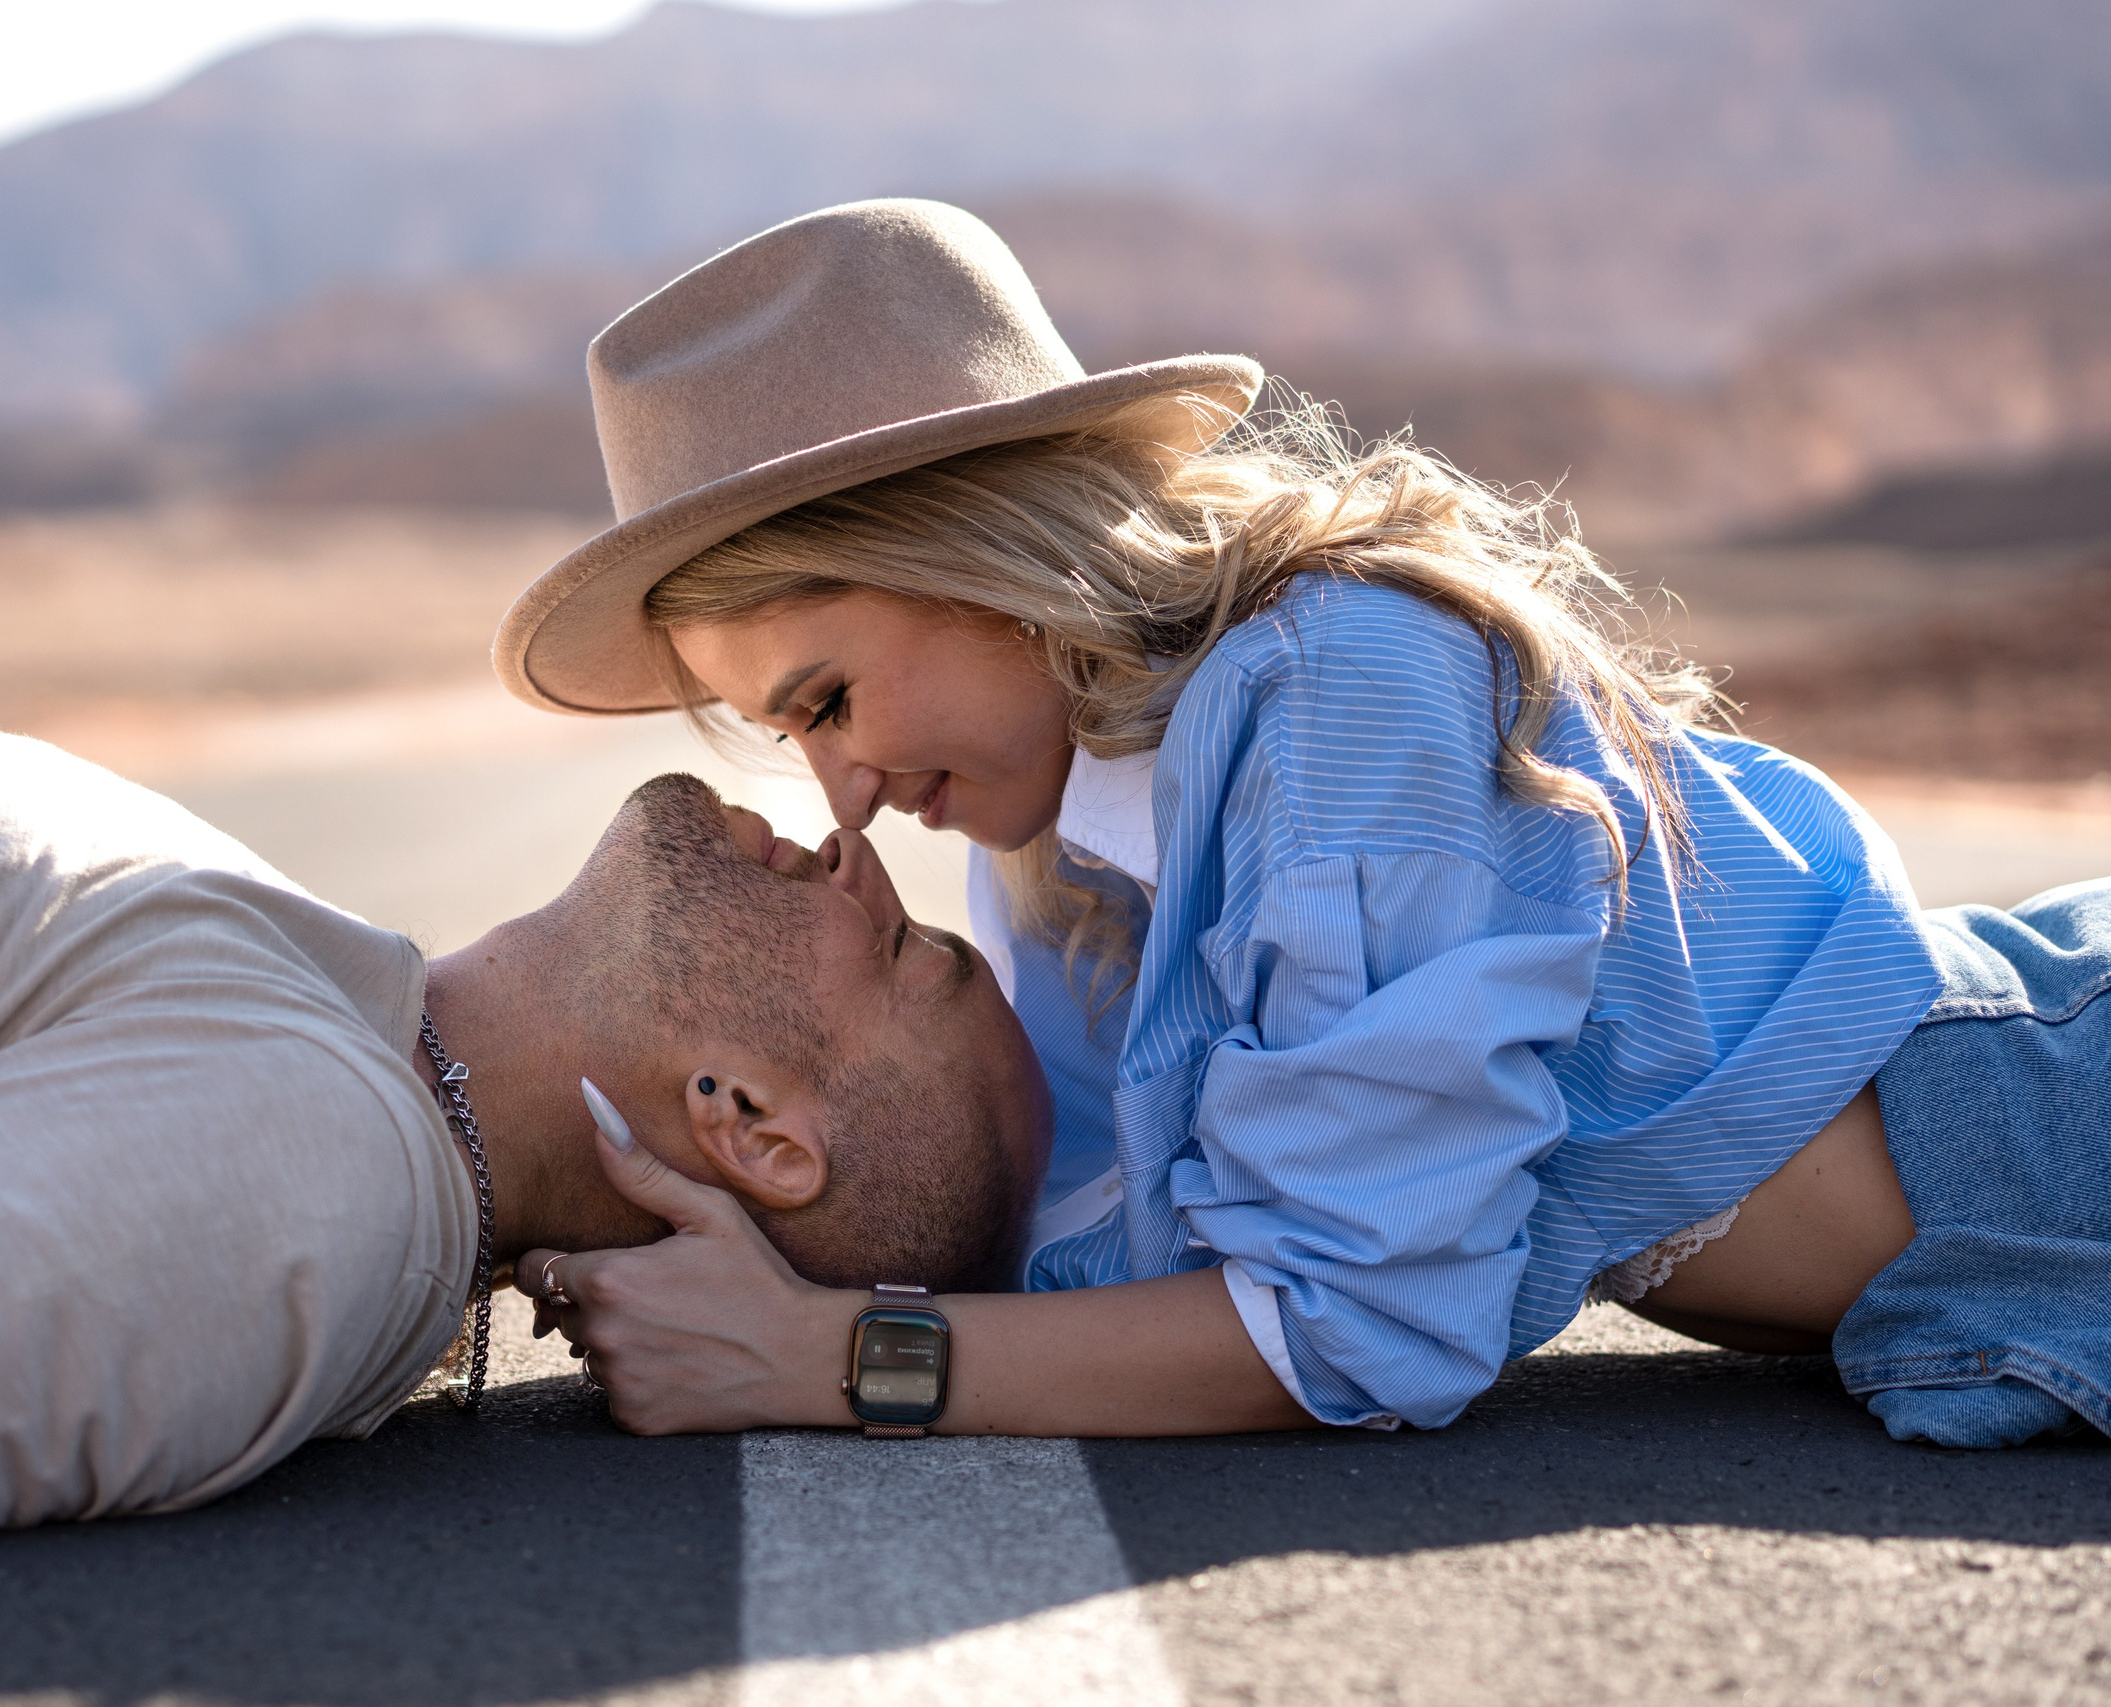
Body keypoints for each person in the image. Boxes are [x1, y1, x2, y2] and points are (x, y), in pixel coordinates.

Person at [492, 197, 2110, 1450]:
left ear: (983, 557)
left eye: (828, 698)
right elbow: (1074, 1263)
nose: (840, 797)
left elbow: (1349, 1325)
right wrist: (686, 1238)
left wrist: (825, 1364)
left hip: (2051, 1120)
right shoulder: (1045, 860)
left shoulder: (1337, 694)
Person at [0, 711, 1048, 1551]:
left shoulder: (313, 1181)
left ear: (756, 1131)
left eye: (910, 956)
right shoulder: (331, 1043)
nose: (861, 856)